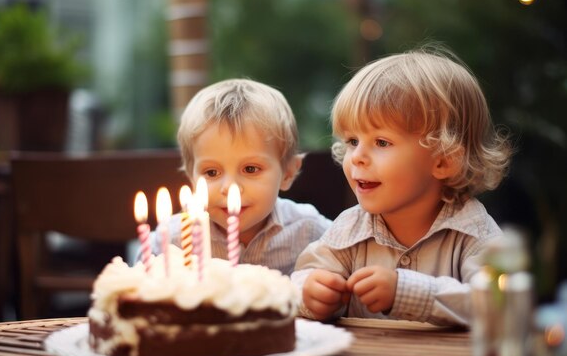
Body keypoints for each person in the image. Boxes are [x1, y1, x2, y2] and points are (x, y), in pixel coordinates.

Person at [291, 47, 513, 326]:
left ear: (443, 160)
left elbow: (498, 304)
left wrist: (406, 291)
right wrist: (311, 294)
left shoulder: (473, 232)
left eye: (381, 142)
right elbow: (302, 278)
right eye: (352, 141)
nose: (357, 156)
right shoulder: (349, 229)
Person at [151, 78, 331, 275]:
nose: (230, 187)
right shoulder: (173, 239)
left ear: (288, 173)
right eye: (211, 172)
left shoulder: (310, 232)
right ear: (191, 178)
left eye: (250, 169)